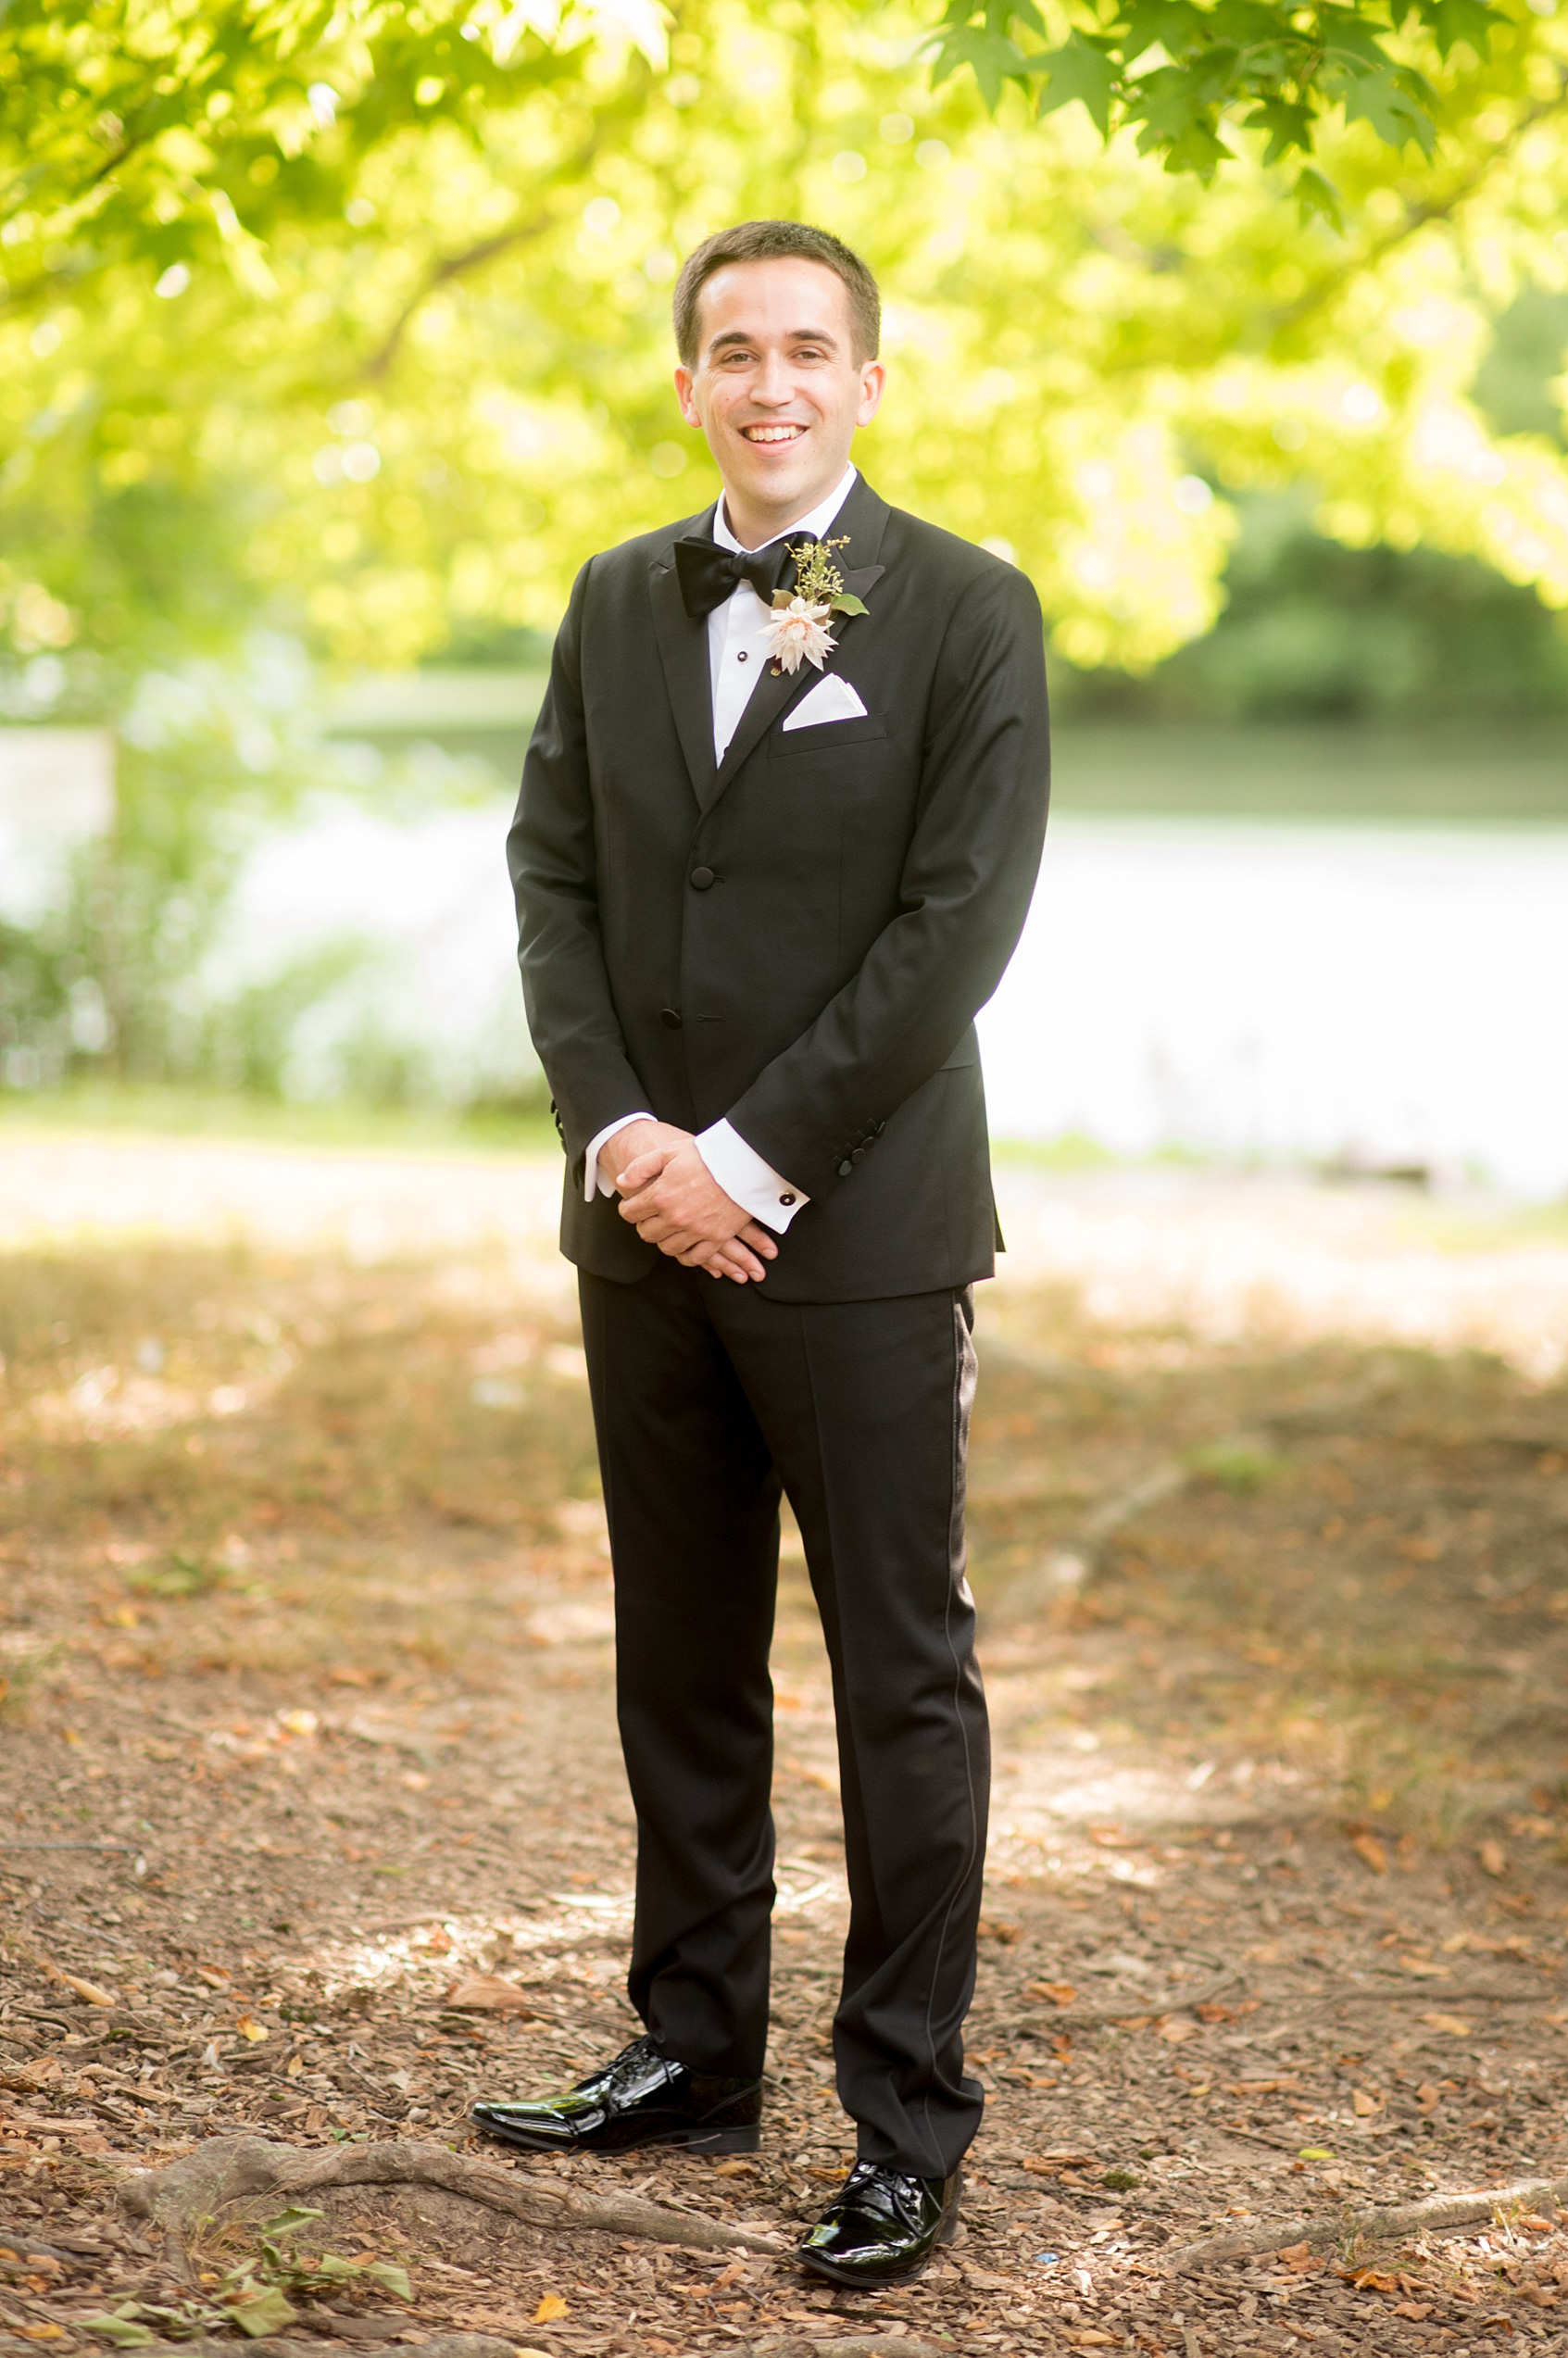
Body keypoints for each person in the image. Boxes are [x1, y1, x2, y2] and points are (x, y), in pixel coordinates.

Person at [475, 219, 1050, 2289]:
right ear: (692, 378)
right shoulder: (613, 598)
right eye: (735, 348)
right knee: (680, 1660)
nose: (772, 380)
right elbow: (552, 872)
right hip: (637, 1232)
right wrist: (627, 1135)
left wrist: (752, 1155)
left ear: (869, 383)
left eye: (810, 348)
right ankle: (688, 2048)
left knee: (901, 1685)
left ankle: (905, 2120)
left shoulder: (968, 609)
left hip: (861, 1238)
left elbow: (954, 931)